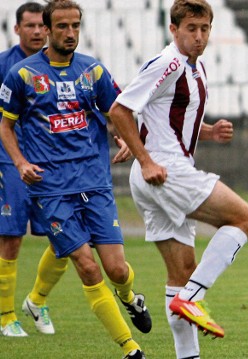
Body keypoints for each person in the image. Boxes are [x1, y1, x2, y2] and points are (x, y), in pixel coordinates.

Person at [0, 1, 151, 357]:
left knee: (116, 269)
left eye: (75, 26)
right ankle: (130, 348)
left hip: (94, 181)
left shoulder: (93, 71)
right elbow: (5, 125)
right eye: (62, 27)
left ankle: (130, 296)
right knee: (85, 265)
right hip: (50, 188)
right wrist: (20, 162)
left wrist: (124, 136)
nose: (70, 33)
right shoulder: (22, 75)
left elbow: (116, 111)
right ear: (48, 30)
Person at [108, 1, 248, 357]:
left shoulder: (196, 68)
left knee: (182, 272)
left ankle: (187, 349)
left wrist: (208, 131)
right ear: (173, 29)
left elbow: (161, 117)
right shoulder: (169, 62)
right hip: (164, 172)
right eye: (191, 28)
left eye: (205, 28)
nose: (199, 36)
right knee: (244, 218)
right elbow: (120, 109)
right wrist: (146, 159)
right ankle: (193, 298)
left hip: (155, 174)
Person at [0, 1, 69, 338]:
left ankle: (37, 299)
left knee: (66, 238)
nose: (37, 32)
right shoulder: (4, 66)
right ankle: (5, 316)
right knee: (11, 237)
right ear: (17, 29)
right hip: (10, 162)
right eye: (29, 26)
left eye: (41, 26)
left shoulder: (59, 66)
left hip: (51, 164)